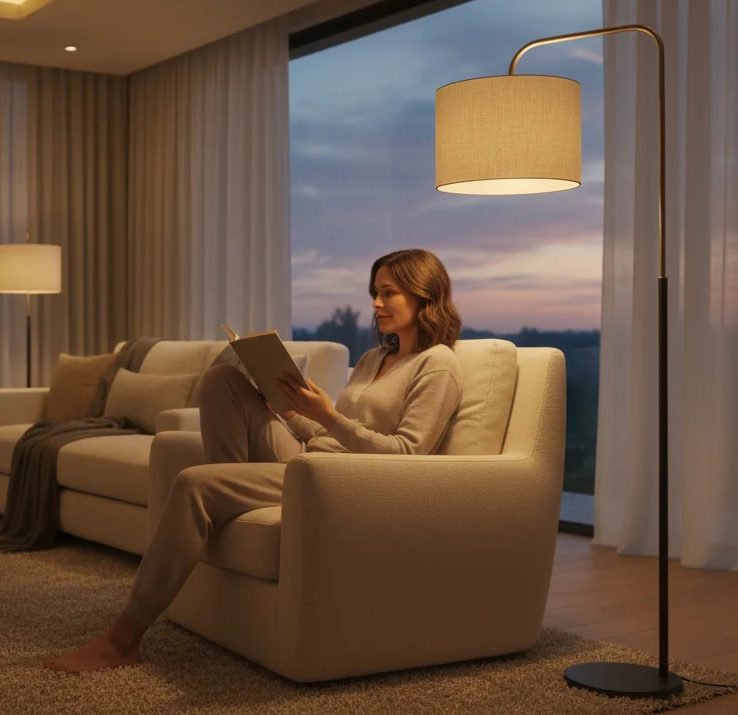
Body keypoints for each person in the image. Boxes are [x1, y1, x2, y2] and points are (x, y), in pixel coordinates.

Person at [44, 248, 465, 673]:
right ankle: (228, 495)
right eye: (375, 292)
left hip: (348, 481)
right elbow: (328, 437)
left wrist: (327, 415)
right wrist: (290, 412)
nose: (375, 303)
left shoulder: (438, 364)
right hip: (314, 462)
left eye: (387, 293)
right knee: (223, 380)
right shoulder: (375, 358)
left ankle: (122, 641)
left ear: (423, 293)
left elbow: (408, 455)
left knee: (195, 483)